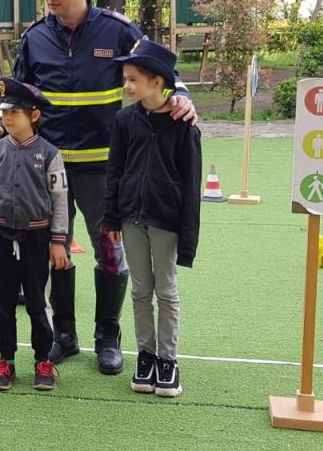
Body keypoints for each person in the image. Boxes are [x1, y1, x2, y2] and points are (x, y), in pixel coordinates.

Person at [0, 0, 196, 375]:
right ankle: (64, 335)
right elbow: (18, 95)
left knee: (110, 253)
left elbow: (158, 66)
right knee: (53, 251)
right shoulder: (36, 37)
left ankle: (107, 337)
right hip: (48, 169)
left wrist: (182, 95)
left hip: (105, 170)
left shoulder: (116, 31)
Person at [104, 40, 201, 397]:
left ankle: (167, 360)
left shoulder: (183, 124)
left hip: (166, 219)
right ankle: (145, 356)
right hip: (130, 217)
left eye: (133, 79)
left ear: (157, 81)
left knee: (166, 290)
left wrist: (187, 235)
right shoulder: (125, 120)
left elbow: (191, 183)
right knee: (140, 290)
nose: (126, 86)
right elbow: (115, 171)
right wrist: (112, 218)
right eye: (125, 79)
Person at [0, 78, 70, 392]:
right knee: (2, 303)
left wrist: (58, 242)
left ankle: (43, 360)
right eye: (4, 111)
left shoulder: (49, 154)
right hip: (1, 236)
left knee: (37, 303)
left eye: (15, 111)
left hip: (37, 240)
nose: (8, 117)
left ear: (33, 116)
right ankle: (6, 360)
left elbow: (59, 199)